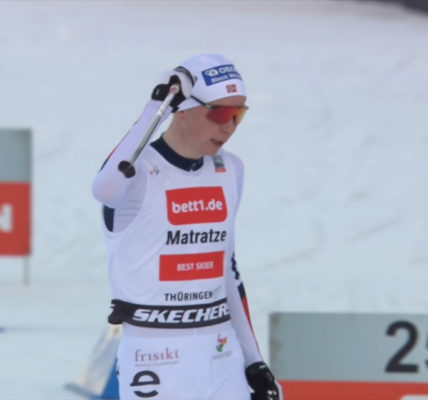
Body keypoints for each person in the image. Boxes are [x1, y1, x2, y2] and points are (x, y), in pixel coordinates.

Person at [92, 53, 281, 400]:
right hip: (154, 354)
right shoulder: (136, 172)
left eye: (239, 114)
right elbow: (104, 189)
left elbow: (227, 270)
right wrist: (156, 107)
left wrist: (254, 360)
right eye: (220, 113)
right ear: (182, 109)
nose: (229, 126)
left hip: (220, 351)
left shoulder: (230, 169)